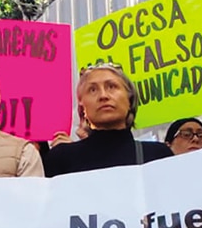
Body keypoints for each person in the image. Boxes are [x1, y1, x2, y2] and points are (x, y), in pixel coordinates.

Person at [43, 63, 173, 176]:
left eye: (111, 87)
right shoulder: (61, 159)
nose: (103, 96)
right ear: (82, 107)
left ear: (130, 99)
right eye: (92, 90)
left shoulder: (158, 156)